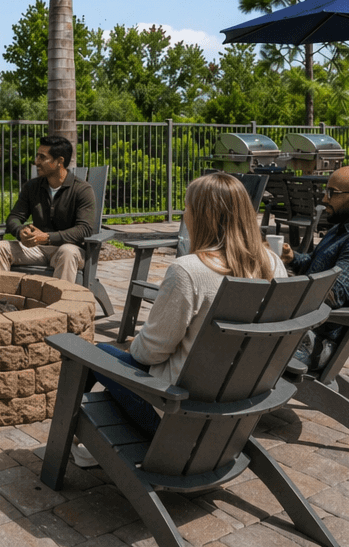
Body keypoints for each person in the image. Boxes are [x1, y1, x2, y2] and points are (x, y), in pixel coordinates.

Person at [89, 173, 284, 442]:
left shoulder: (189, 271)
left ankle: (76, 440)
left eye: (187, 207)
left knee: (95, 355)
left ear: (202, 215)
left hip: (176, 411)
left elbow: (150, 354)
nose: (184, 213)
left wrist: (137, 343)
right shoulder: (274, 264)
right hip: (237, 410)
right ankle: (95, 445)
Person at [280, 165, 349, 366]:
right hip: (301, 326)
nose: (324, 199)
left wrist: (279, 292)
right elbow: (314, 266)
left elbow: (332, 294)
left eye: (332, 193)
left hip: (313, 341)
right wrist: (291, 258)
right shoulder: (343, 229)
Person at [0, 135, 97, 286]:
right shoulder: (32, 187)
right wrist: (20, 231)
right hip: (35, 249)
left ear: (59, 161)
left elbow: (84, 229)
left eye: (42, 157)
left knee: (67, 252)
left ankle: (59, 307)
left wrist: (47, 237)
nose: (36, 161)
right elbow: (14, 217)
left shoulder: (81, 189)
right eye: (37, 155)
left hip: (67, 249)